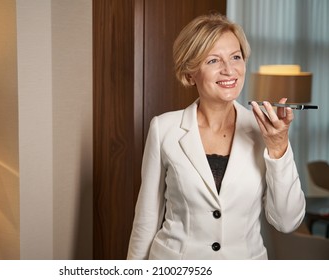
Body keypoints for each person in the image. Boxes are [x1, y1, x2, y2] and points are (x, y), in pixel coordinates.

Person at [127, 13, 305, 260]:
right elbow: (146, 219)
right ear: (190, 73)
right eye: (213, 61)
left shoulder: (266, 130)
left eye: (236, 57)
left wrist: (278, 148)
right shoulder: (164, 128)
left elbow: (287, 221)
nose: (229, 70)